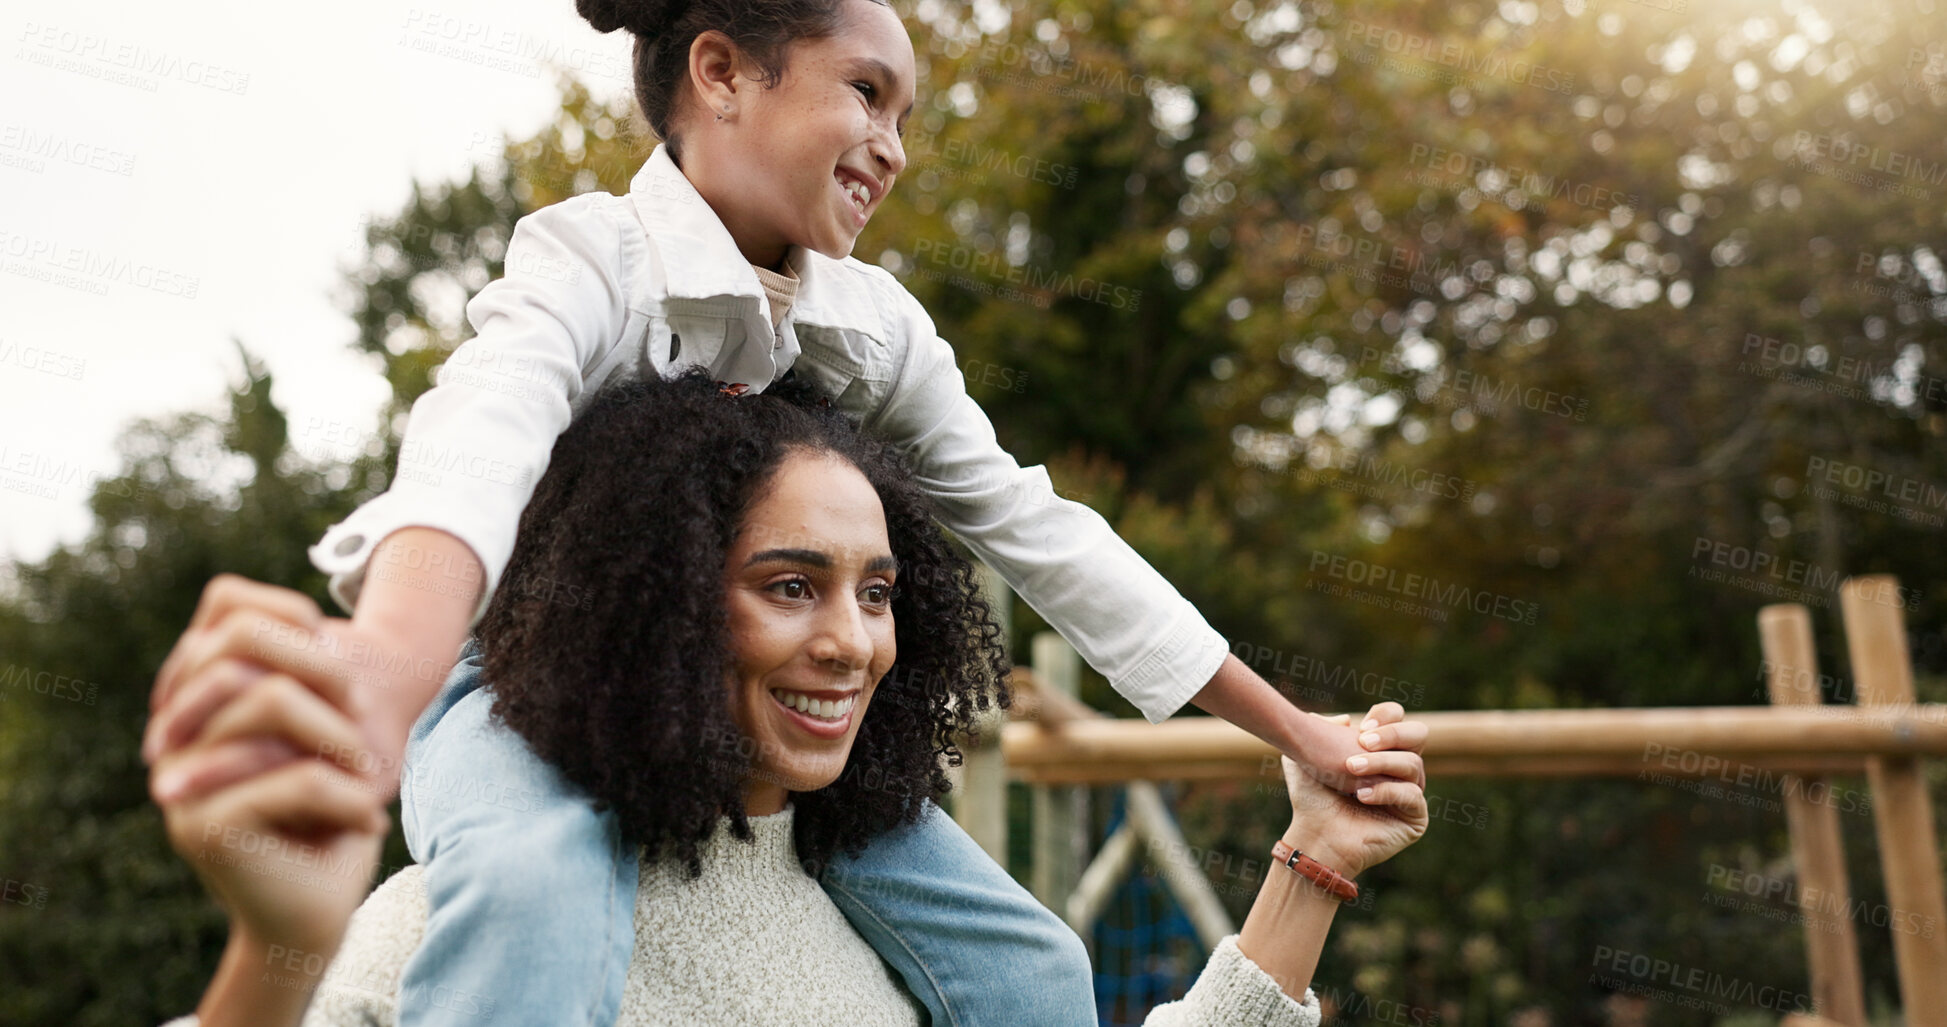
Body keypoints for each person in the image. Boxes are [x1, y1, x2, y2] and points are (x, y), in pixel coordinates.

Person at [144, 0, 1386, 1022]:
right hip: (520, 690)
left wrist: (1291, 730)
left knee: (1032, 963)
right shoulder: (589, 261)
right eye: (865, 92)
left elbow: (1035, 527)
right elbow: (478, 448)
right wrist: (381, 676)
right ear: (723, 73)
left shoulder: (873, 324)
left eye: (908, 116)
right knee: (530, 886)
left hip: (737, 721)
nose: (893, 143)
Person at [152, 372, 1431, 1027]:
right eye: (788, 584)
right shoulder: (463, 928)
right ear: (653, 602)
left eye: (877, 593)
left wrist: (1309, 863)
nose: (852, 643)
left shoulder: (904, 929)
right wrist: (268, 958)